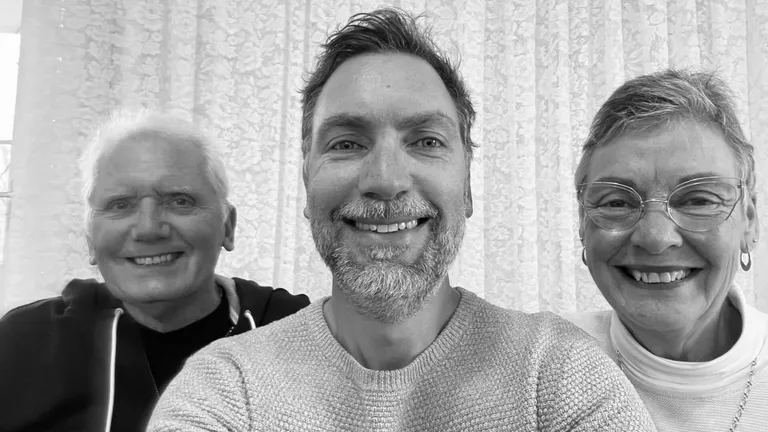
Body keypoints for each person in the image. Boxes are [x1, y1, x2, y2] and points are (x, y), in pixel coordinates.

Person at [148, 9, 656, 431]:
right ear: (306, 182)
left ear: (469, 185)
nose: (387, 180)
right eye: (347, 143)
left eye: (426, 142)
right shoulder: (227, 390)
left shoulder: (559, 375)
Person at [0, 110, 310, 432]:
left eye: (180, 201)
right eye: (120, 204)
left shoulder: (299, 334)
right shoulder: (23, 343)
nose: (148, 229)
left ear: (227, 227)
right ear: (90, 239)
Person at [567, 69, 768, 431]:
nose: (657, 238)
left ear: (749, 221)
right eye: (616, 202)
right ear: (584, 224)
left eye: (698, 199)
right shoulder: (538, 360)